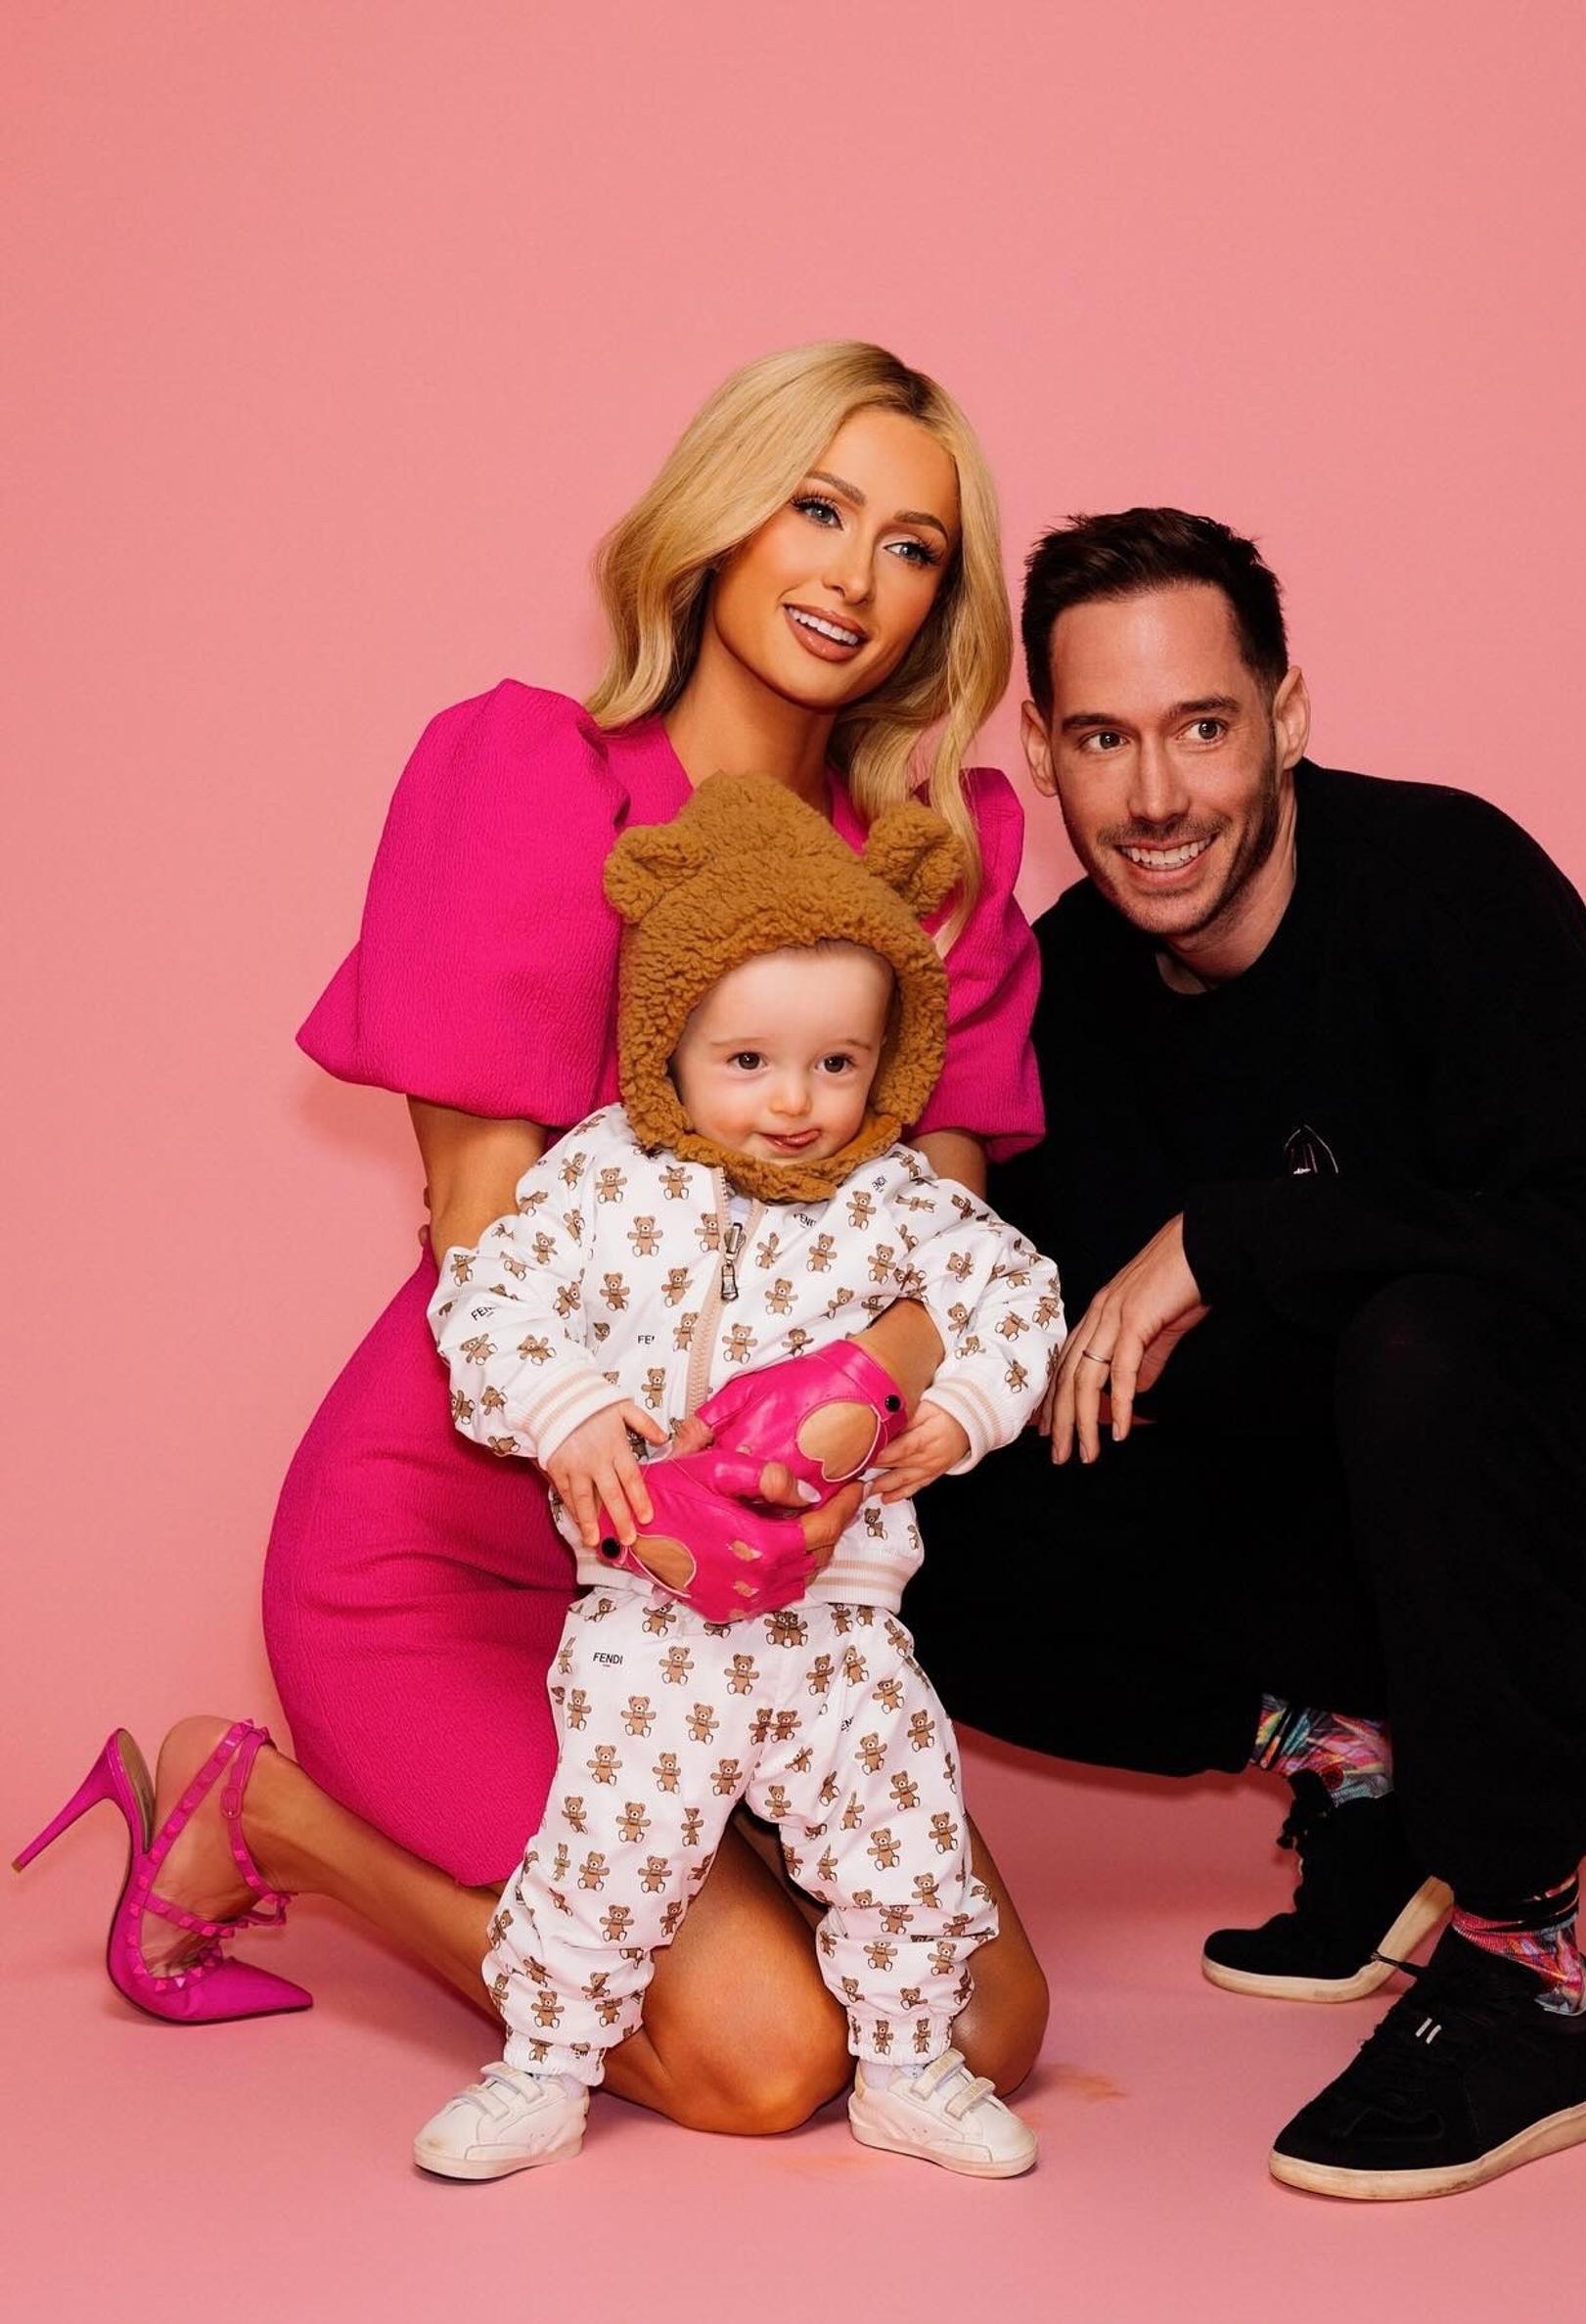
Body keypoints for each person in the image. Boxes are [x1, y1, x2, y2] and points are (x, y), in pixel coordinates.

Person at [15, 343, 1051, 2131]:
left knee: (983, 2026)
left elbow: (937, 1268)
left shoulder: (932, 853)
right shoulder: (525, 774)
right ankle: (266, 1816)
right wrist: (683, 1471)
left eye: (913, 548)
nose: (854, 579)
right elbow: (484, 1243)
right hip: (473, 1541)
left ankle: (701, 1857)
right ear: (719, 521)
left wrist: (840, 1427)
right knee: (766, 2063)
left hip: (768, 1573)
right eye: (816, 510)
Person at [908, 507, 1586, 2200]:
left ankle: (1520, 1981)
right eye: (1103, 740)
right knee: (922, 1498)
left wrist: (1243, 1233)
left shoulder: (1446, 886)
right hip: (1387, 1558)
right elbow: (1040, 1340)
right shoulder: (1071, 991)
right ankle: (1365, 1780)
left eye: (1202, 726)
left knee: (1425, 1339)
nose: (1156, 797)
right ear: (1039, 751)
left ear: (1288, 715)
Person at [411, 771, 1060, 2180]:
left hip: (842, 1623)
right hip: (654, 1616)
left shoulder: (898, 1200)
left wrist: (959, 1409)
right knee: (608, 1854)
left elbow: (1019, 1295)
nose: (794, 1104)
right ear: (671, 1043)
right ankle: (542, 2064)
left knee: (904, 1843)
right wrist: (570, 1410)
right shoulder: (603, 1180)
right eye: (750, 1060)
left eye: (837, 1064)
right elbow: (489, 1297)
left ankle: (909, 2066)